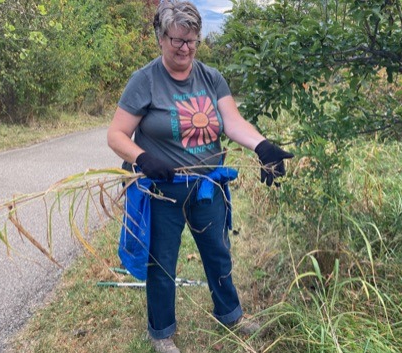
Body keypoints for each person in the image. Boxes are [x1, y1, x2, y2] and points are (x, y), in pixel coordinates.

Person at [107, 1, 293, 352]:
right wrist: (143, 158)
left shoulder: (211, 77)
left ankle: (231, 314)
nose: (185, 49)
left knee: (218, 252)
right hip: (162, 191)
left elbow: (232, 122)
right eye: (177, 40)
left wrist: (262, 146)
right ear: (161, 38)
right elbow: (116, 135)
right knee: (161, 262)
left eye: (192, 41)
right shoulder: (144, 80)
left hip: (208, 187)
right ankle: (161, 333)